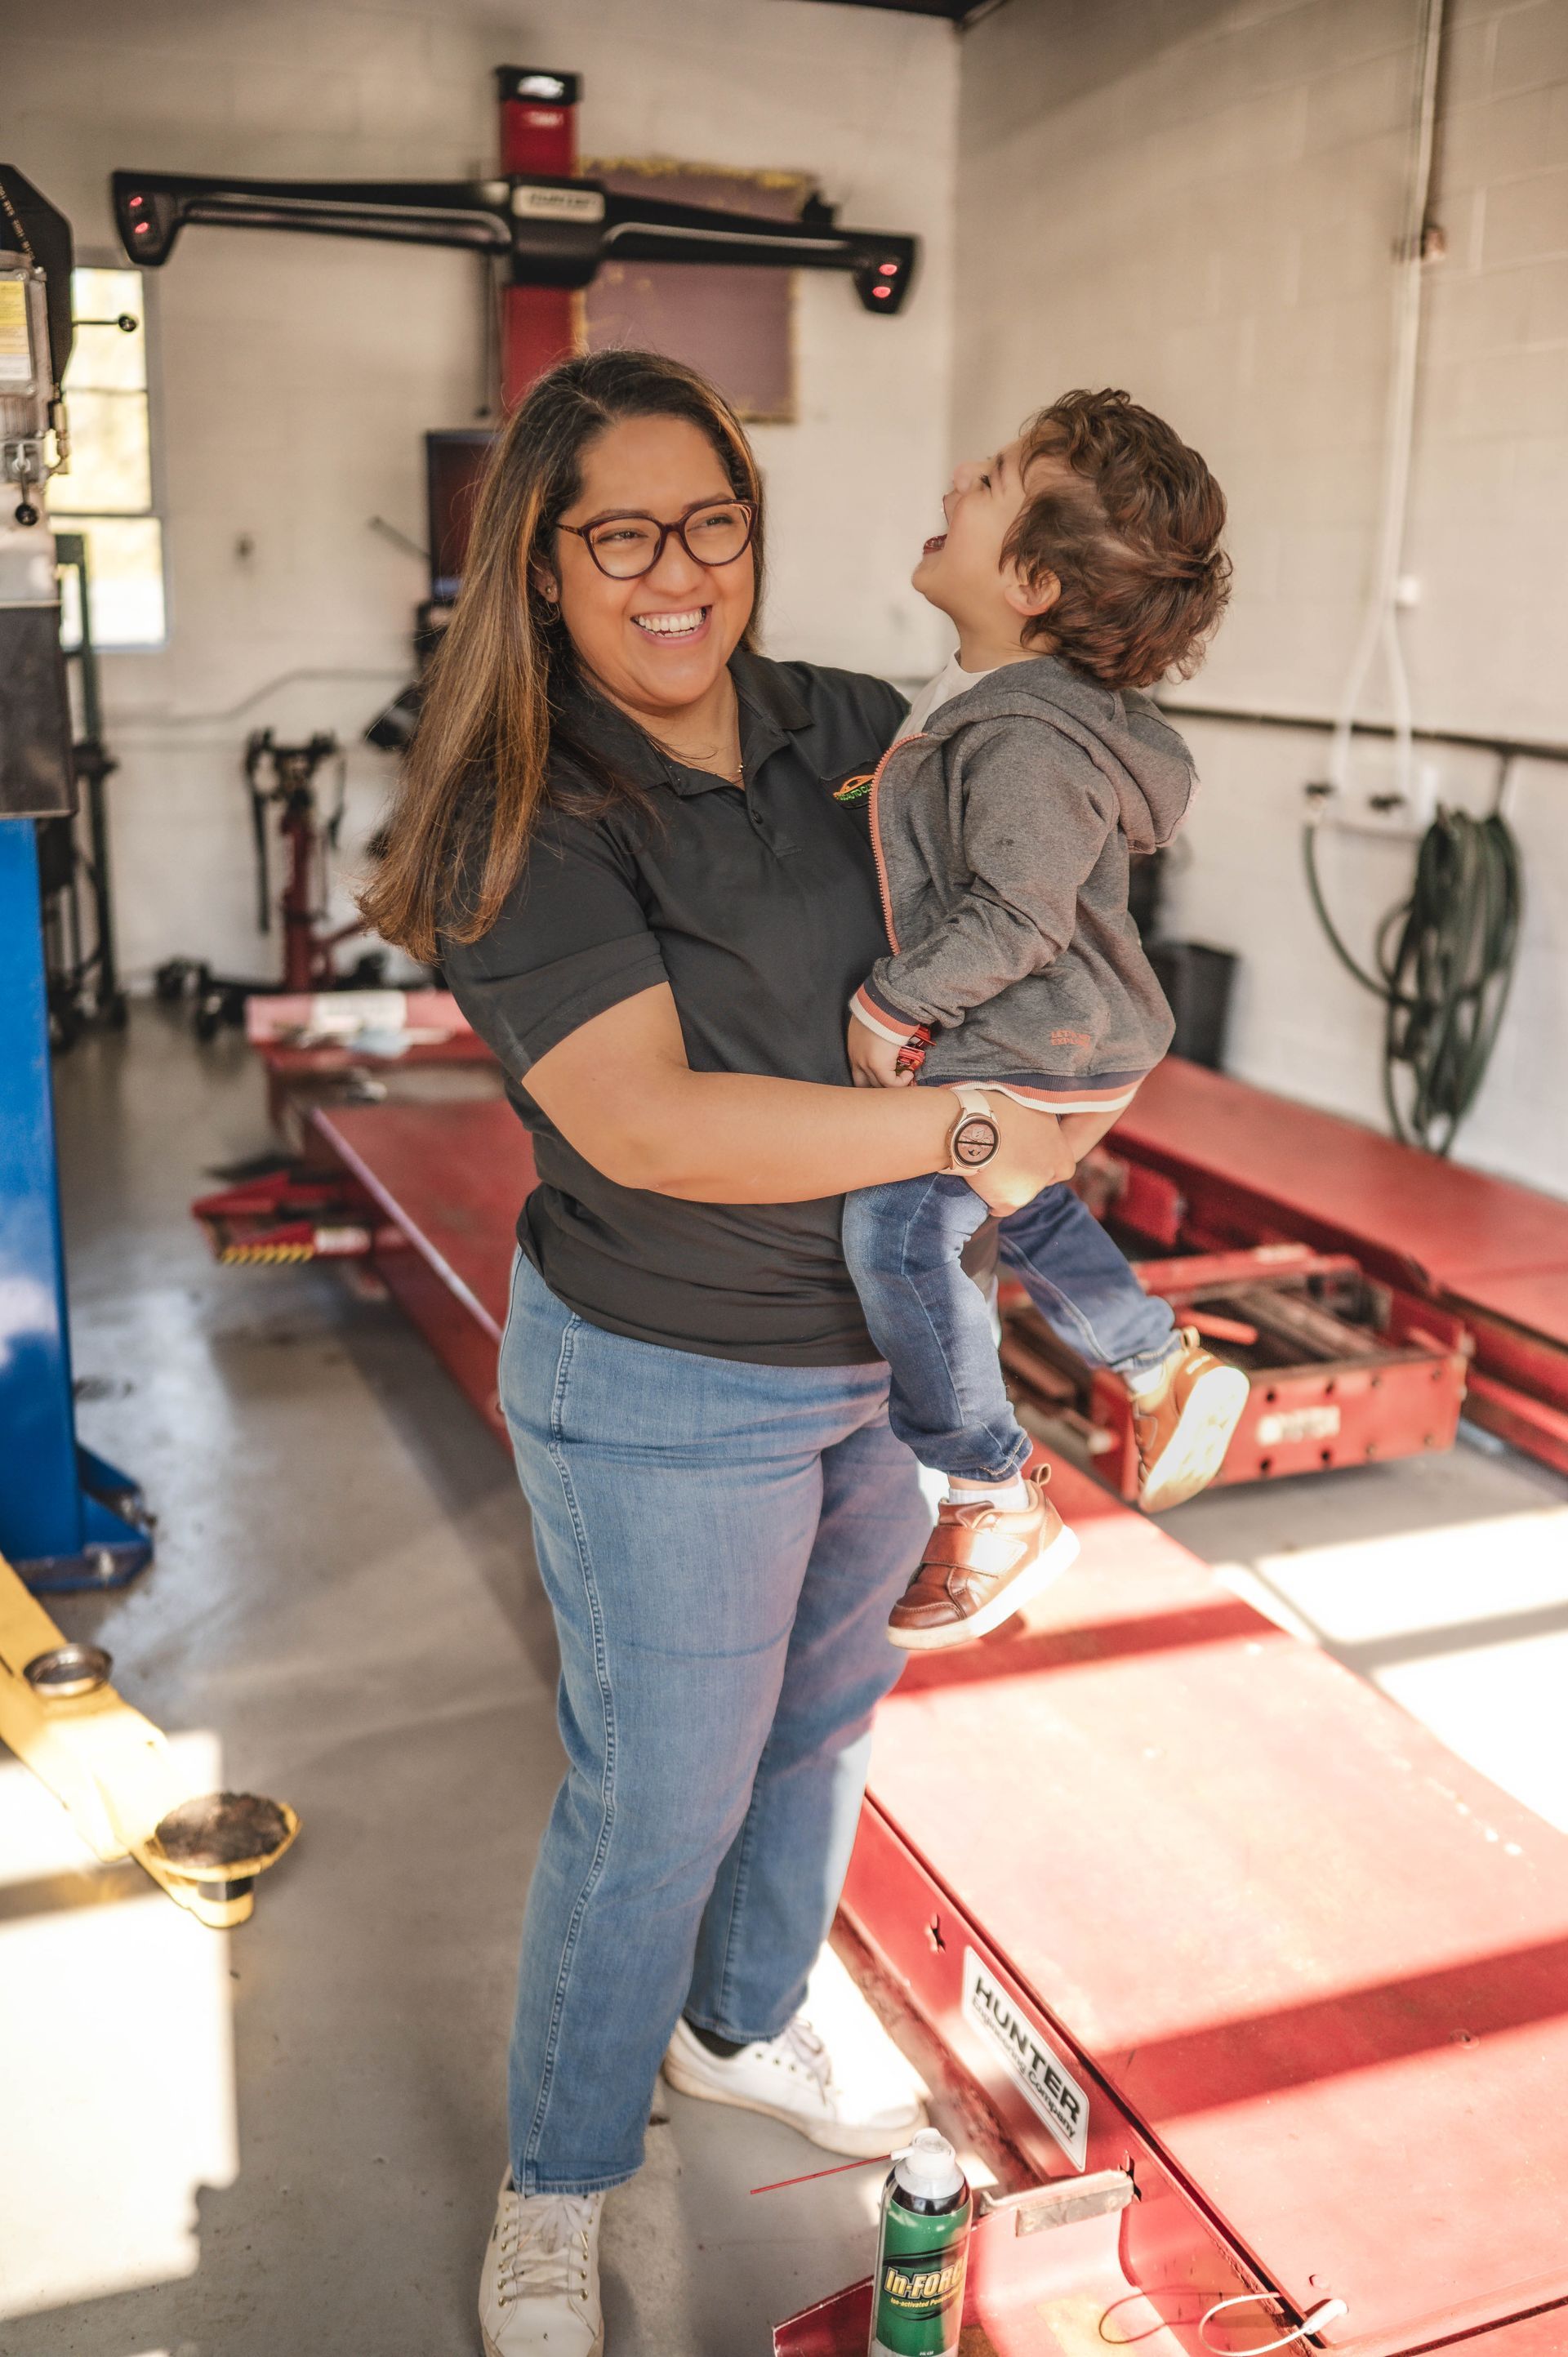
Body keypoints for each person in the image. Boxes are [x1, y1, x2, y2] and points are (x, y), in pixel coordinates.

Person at [359, 349, 1074, 2357]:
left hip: (884, 1357)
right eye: (622, 537)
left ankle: (743, 2029)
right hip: (666, 1382)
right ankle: (560, 2180)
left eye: (713, 522)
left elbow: (1014, 909)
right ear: (543, 563)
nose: (678, 573)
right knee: (656, 1801)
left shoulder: (852, 729)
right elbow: (650, 1123)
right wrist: (969, 1134)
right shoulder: (524, 811)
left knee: (824, 1724)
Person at [840, 389, 1249, 1653]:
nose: (959, 475)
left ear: (1029, 582)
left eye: (993, 477)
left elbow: (1018, 915)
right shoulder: (1003, 696)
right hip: (1060, 1032)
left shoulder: (1023, 733)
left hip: (1034, 1029)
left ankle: (990, 1491)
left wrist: (893, 1001)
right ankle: (1156, 1363)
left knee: (897, 1229)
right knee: (1012, 1194)